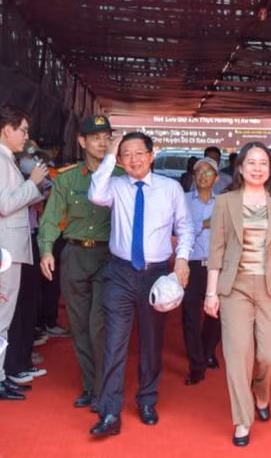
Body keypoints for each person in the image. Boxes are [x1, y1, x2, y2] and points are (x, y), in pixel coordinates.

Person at [88, 131, 194, 438]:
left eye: (138, 153)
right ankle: (110, 411)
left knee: (151, 341)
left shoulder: (170, 188)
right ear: (119, 160)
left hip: (156, 274)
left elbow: (186, 228)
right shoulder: (115, 187)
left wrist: (183, 258)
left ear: (152, 155)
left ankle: (147, 400)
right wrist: (110, 154)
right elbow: (95, 193)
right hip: (120, 272)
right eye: (126, 155)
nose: (133, 159)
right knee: (114, 343)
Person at [203, 142, 271, 447]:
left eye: (264, 163)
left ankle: (261, 392)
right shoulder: (226, 202)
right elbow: (217, 250)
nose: (257, 168)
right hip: (235, 287)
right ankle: (242, 420)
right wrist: (212, 293)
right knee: (237, 355)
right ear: (240, 168)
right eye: (251, 162)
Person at [38, 115, 122, 408]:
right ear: (82, 141)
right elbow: (50, 218)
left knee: (99, 324)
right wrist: (47, 249)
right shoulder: (67, 178)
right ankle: (90, 384)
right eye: (96, 136)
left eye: (107, 136)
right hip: (74, 255)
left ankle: (103, 388)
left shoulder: (121, 176)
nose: (102, 141)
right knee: (79, 325)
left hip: (108, 257)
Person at [0, 105, 47, 400]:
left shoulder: (4, 158)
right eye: (23, 130)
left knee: (1, 317)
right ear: (8, 130)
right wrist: (33, 184)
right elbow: (5, 204)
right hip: (3, 248)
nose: (25, 137)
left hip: (7, 246)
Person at [181, 157, 222, 386]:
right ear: (193, 176)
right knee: (190, 315)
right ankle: (196, 364)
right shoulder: (184, 200)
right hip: (192, 264)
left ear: (216, 178)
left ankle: (208, 351)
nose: (203, 176)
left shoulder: (224, 203)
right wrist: (205, 224)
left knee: (215, 315)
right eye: (199, 172)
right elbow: (180, 228)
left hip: (217, 265)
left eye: (209, 173)